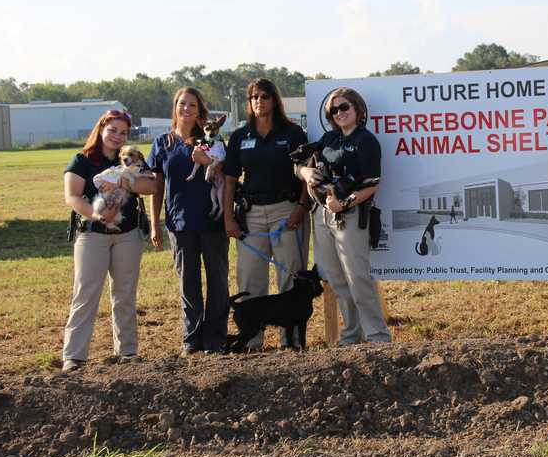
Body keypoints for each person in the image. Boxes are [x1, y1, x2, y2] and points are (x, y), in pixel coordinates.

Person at [62, 109, 158, 371]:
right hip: (92, 234)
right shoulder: (82, 160)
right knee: (86, 293)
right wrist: (96, 215)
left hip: (127, 234)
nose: (117, 136)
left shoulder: (130, 158)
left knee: (125, 294)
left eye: (123, 132)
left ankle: (127, 352)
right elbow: (72, 196)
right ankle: (74, 356)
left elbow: (151, 187)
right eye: (113, 130)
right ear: (101, 129)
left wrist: (124, 184)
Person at [297, 87, 391, 345]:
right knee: (336, 278)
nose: (339, 113)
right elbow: (299, 162)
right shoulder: (328, 139)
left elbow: (372, 184)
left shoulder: (366, 140)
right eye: (334, 110)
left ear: (358, 110)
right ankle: (351, 335)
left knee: (357, 277)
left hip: (352, 215)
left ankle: (378, 336)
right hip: (323, 215)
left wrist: (344, 202)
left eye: (344, 107)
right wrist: (306, 173)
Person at [223, 78, 310, 350]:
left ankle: (291, 341)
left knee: (291, 277)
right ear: (249, 102)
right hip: (251, 216)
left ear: (274, 100)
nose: (259, 101)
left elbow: (308, 174)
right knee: (250, 278)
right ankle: (252, 341)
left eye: (264, 96)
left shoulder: (293, 134)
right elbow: (229, 179)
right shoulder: (240, 137)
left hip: (287, 211)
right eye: (254, 97)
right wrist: (228, 217)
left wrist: (301, 207)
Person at [148, 87, 230, 355]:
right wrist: (154, 223)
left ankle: (215, 339)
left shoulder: (211, 140)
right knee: (188, 283)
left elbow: (226, 176)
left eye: (192, 105)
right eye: (182, 104)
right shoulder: (162, 143)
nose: (186, 108)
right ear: (175, 107)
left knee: (217, 281)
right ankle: (192, 339)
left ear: (199, 112)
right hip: (179, 223)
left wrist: (206, 160)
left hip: (211, 222)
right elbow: (157, 186)